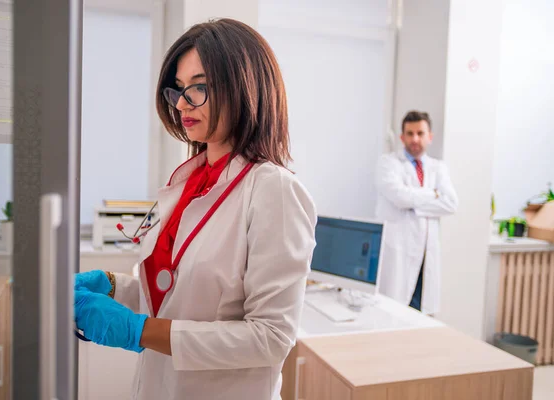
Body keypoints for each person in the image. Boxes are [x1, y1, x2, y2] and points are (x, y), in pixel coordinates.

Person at [73, 19, 317, 400]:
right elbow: (178, 295)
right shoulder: (187, 183)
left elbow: (271, 337)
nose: (183, 103)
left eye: (199, 87)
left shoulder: (274, 191)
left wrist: (140, 332)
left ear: (244, 86)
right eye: (180, 90)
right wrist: (116, 287)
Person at [375, 111, 458, 315]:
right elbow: (400, 197)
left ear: (430, 136)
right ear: (402, 137)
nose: (415, 139)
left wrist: (414, 201)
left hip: (425, 257)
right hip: (399, 252)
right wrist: (434, 194)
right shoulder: (388, 163)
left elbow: (451, 203)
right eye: (409, 133)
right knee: (393, 314)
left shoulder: (438, 168)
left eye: (420, 133)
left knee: (421, 317)